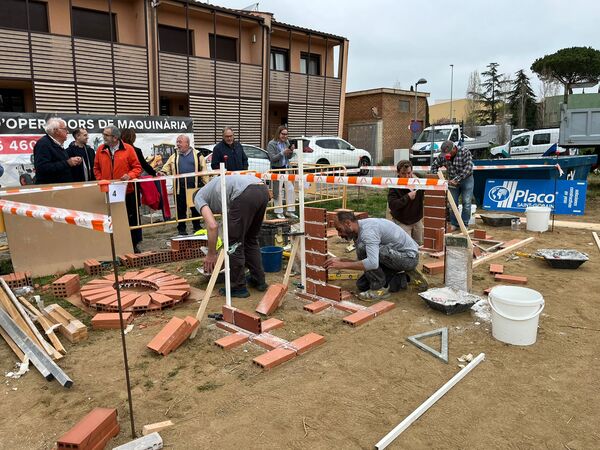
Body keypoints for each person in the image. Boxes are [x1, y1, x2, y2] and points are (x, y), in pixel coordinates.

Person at [194, 174, 269, 298]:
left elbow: (212, 226)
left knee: (234, 243)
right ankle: (259, 280)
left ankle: (238, 287)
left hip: (245, 193)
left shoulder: (198, 198)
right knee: (250, 239)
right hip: (262, 190)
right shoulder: (217, 188)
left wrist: (211, 254)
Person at [324, 212, 422, 300]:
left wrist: (342, 266)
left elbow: (372, 263)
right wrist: (342, 260)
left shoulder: (368, 232)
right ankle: (405, 278)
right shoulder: (358, 229)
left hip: (408, 258)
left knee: (364, 248)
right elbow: (363, 262)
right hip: (393, 256)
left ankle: (379, 289)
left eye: (339, 229)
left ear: (348, 223)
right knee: (362, 285)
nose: (339, 234)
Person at [94, 126, 143, 252]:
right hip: (108, 191)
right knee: (112, 218)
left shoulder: (128, 149)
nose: (103, 136)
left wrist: (129, 176)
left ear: (115, 138)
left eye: (106, 135)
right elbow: (96, 168)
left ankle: (134, 244)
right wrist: (101, 180)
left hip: (127, 191)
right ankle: (115, 244)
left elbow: (137, 168)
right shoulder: (100, 149)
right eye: (103, 134)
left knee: (131, 218)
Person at [160, 135, 209, 235]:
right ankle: (181, 229)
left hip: (194, 188)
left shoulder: (198, 155)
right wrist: (162, 173)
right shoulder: (174, 156)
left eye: (179, 142)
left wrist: (206, 185)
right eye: (177, 142)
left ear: (187, 143)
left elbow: (204, 171)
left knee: (195, 208)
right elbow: (166, 168)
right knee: (180, 210)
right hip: (179, 188)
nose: (177, 144)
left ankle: (197, 227)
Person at [429, 140, 474, 230]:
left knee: (466, 202)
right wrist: (438, 179)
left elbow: (468, 168)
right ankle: (454, 224)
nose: (447, 155)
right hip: (452, 182)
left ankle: (464, 224)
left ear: (454, 148)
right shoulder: (443, 156)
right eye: (445, 154)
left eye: (448, 153)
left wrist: (457, 179)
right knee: (452, 203)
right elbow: (434, 166)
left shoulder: (465, 152)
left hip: (466, 180)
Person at [33, 117, 81, 184]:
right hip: (51, 190)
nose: (67, 132)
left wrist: (73, 162)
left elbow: (60, 164)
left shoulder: (56, 144)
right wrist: (67, 163)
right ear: (56, 131)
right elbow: (42, 168)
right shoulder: (43, 144)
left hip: (60, 188)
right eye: (65, 129)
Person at [387, 160, 424, 245]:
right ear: (398, 173)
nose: (407, 176)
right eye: (403, 174)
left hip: (417, 219)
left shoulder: (419, 180)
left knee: (419, 244)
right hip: (402, 221)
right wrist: (407, 197)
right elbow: (392, 205)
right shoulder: (394, 185)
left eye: (409, 173)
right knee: (406, 246)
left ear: (412, 171)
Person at [266, 125, 297, 219]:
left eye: (286, 134)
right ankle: (278, 211)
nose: (285, 136)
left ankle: (290, 211)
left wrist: (291, 151)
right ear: (278, 134)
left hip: (286, 169)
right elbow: (272, 158)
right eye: (283, 134)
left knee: (290, 189)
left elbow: (288, 157)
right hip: (277, 170)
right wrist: (282, 152)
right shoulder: (272, 144)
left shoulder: (286, 142)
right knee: (278, 191)